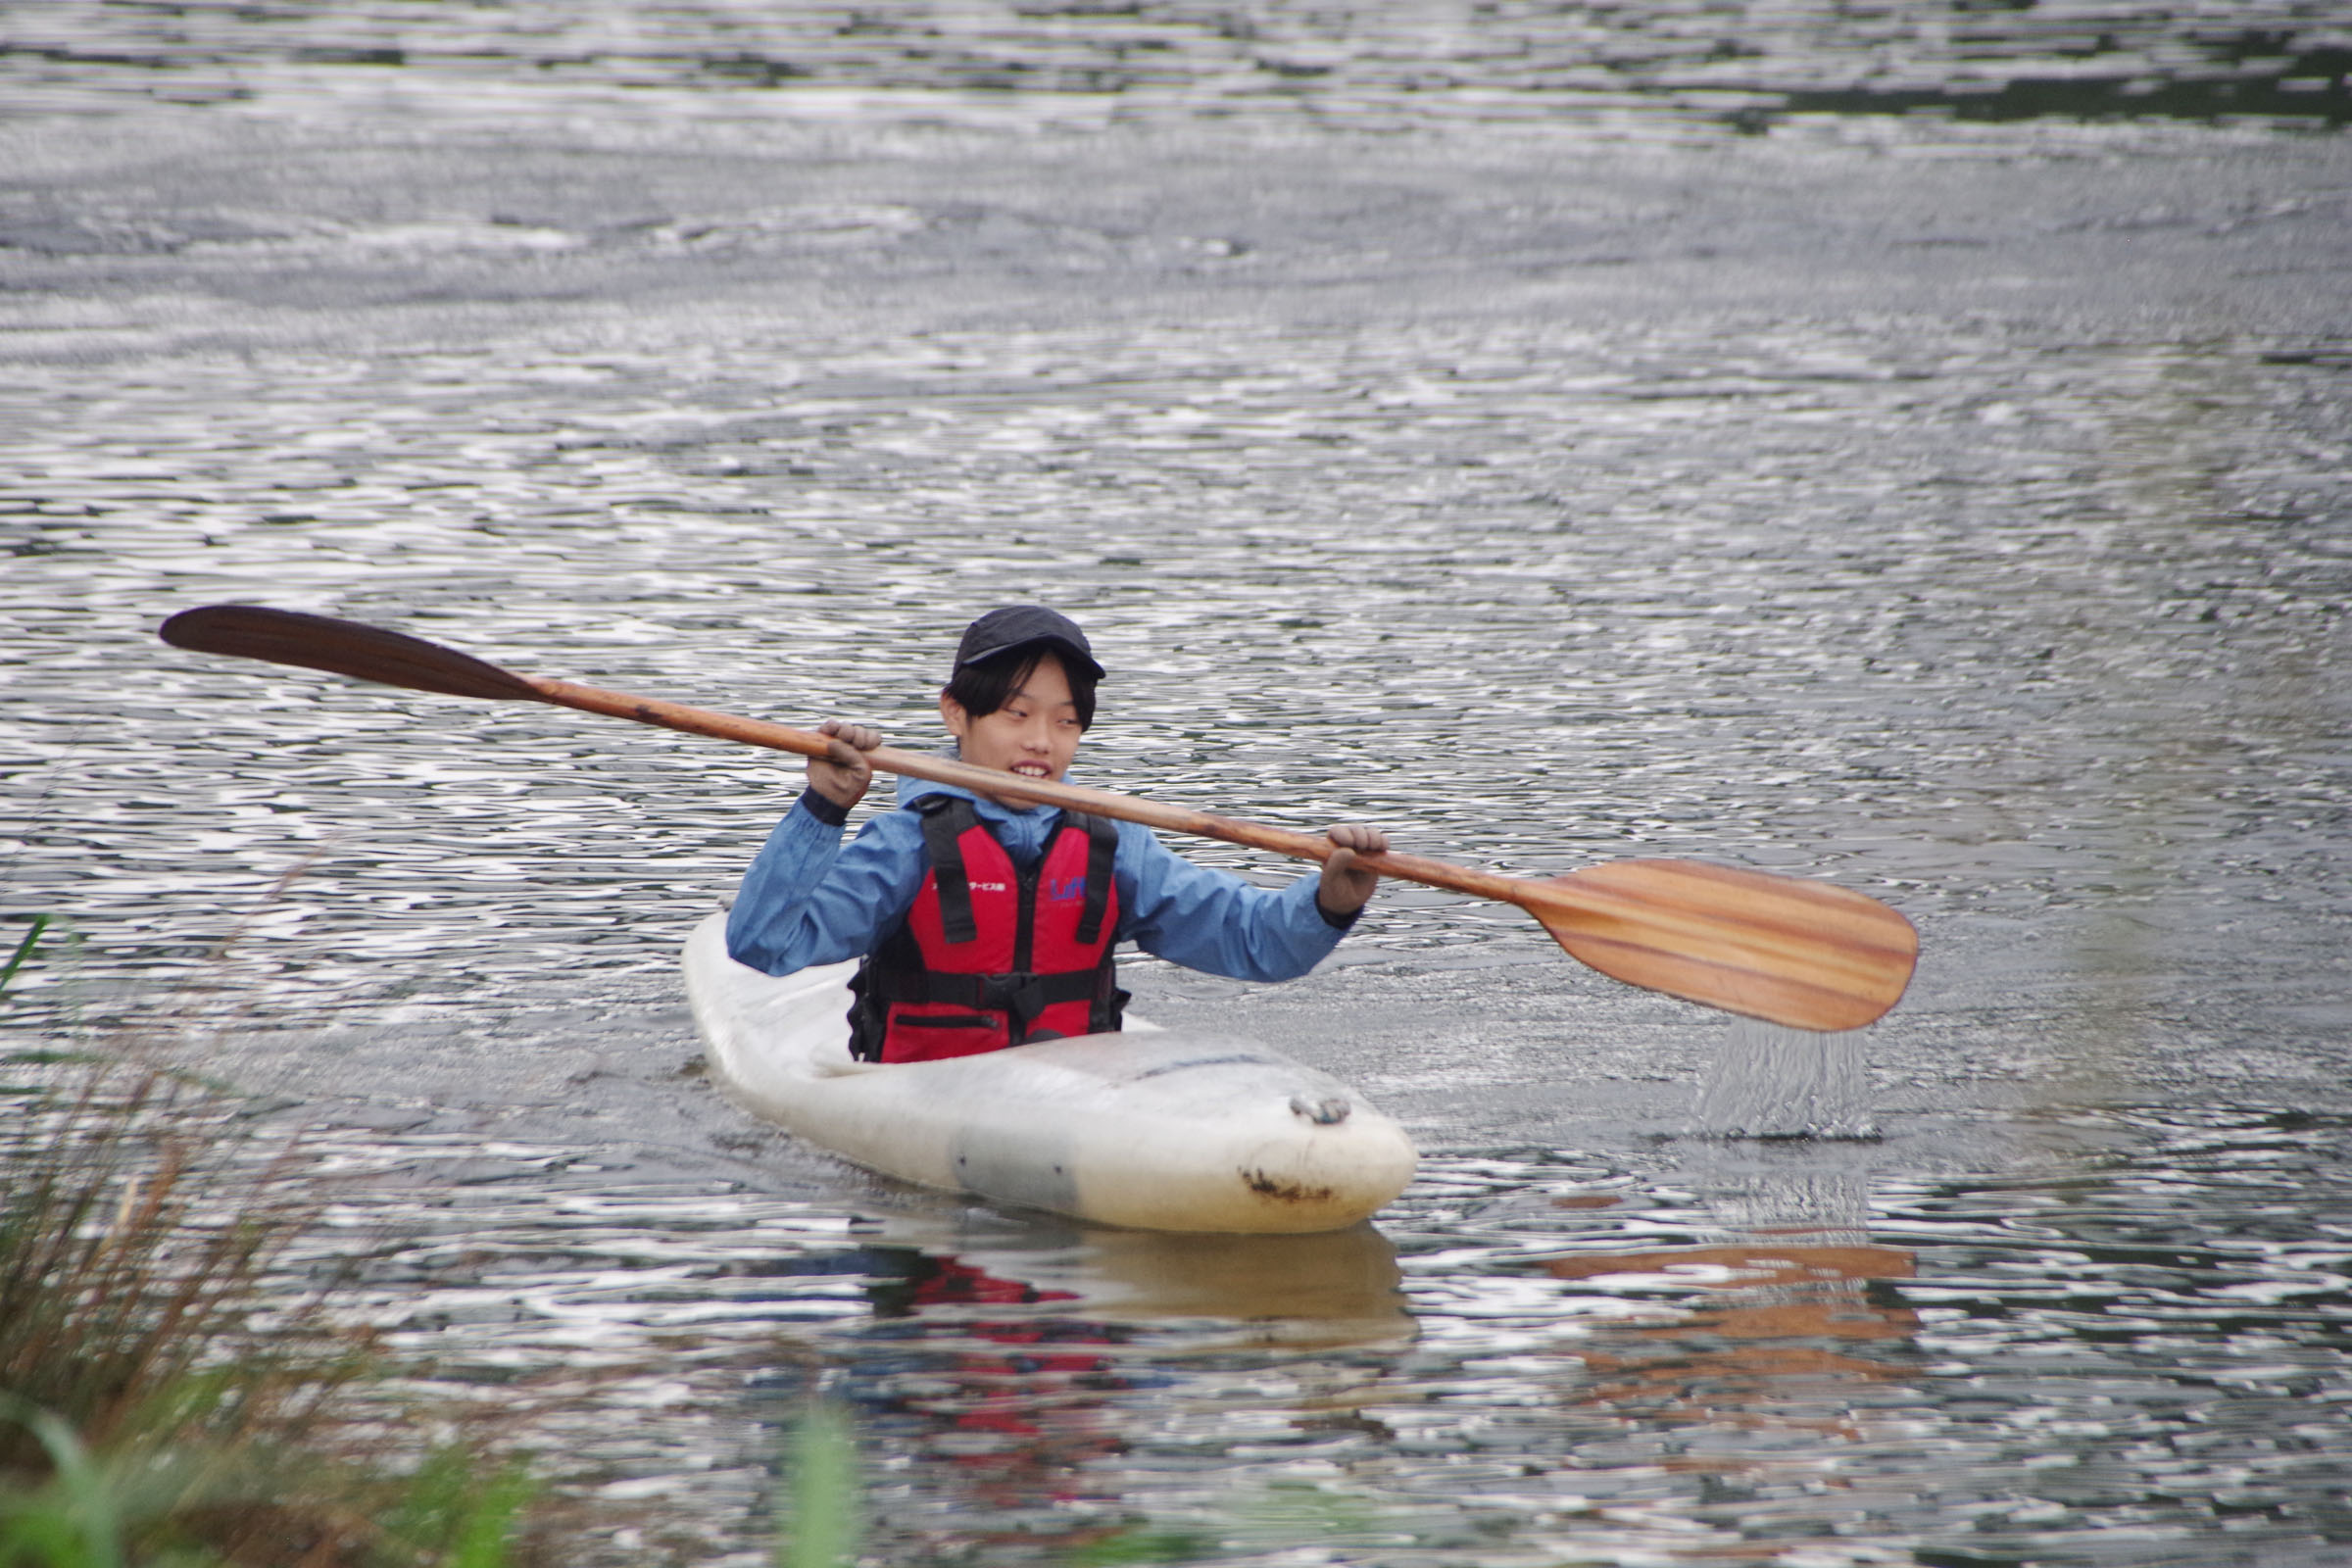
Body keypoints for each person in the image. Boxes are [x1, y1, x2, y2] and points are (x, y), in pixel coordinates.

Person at [725, 606, 1388, 1063]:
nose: (1041, 742)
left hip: (1072, 1096)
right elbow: (765, 944)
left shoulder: (1115, 846)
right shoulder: (906, 846)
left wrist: (1331, 901)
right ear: (956, 713)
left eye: (1066, 723)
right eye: (1017, 714)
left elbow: (1260, 944)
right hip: (929, 1093)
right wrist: (823, 809)